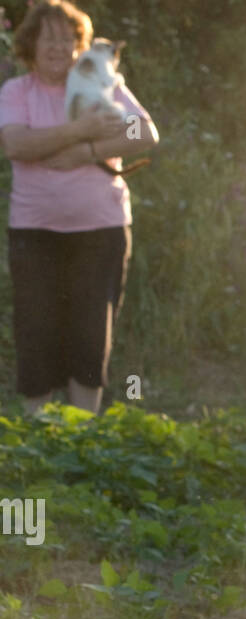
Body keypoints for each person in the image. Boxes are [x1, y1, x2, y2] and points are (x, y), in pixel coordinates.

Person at [0, 0, 158, 414]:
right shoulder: (17, 92)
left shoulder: (106, 86)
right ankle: (40, 440)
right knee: (37, 330)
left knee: (90, 334)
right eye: (48, 38)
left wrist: (84, 151)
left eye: (68, 39)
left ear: (81, 46)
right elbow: (16, 144)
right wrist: (82, 129)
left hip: (101, 230)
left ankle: (83, 441)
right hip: (35, 233)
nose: (58, 47)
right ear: (30, 45)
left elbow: (144, 134)